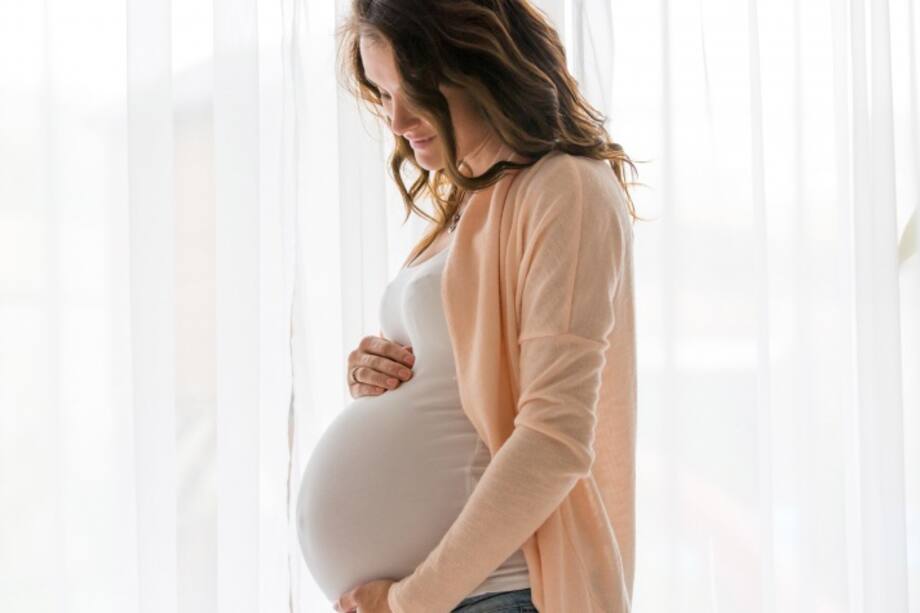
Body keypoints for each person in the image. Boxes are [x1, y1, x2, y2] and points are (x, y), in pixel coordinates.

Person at [320, 1, 644, 611]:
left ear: (477, 64)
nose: (396, 120)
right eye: (383, 93)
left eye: (413, 88)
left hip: (505, 591)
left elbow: (553, 438)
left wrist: (411, 602)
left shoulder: (565, 188)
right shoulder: (472, 204)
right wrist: (376, 377)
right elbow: (464, 391)